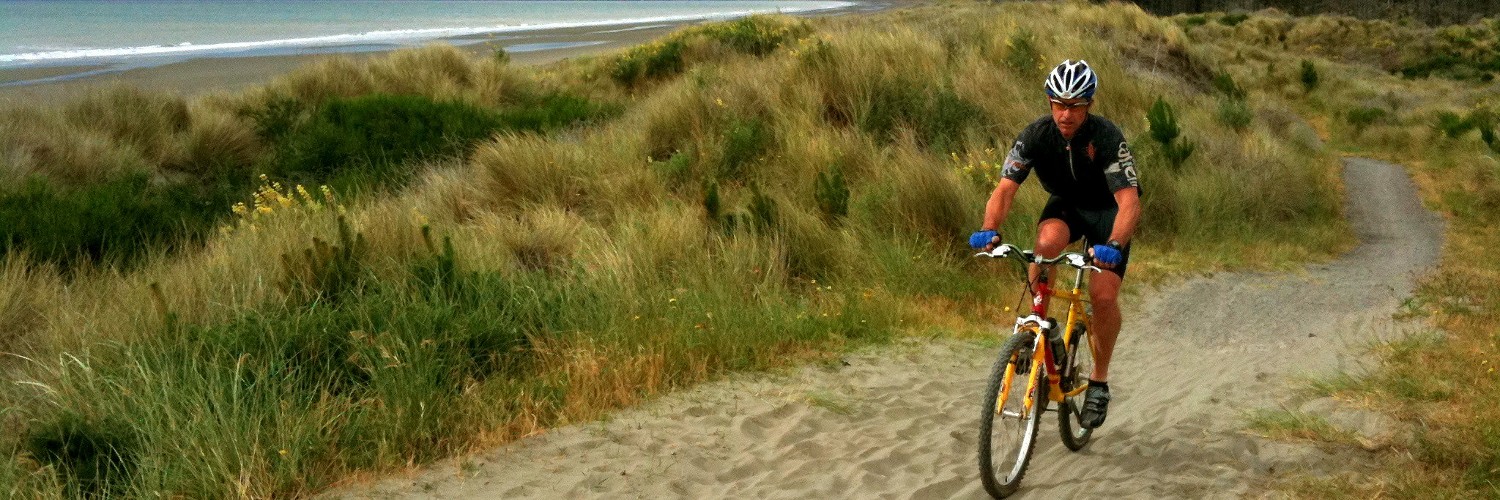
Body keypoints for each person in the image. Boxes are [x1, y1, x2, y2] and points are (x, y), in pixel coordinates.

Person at [967, 60, 1140, 429]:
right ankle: (1039, 325)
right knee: (1045, 245)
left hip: (1108, 212)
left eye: (1075, 105)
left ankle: (1099, 381)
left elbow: (1129, 202)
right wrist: (989, 227)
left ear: (1088, 105)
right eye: (1058, 104)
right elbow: (1004, 190)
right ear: (1049, 102)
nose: (1066, 113)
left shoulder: (1106, 137)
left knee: (1104, 295)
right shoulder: (1035, 136)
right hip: (1067, 205)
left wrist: (1113, 244)